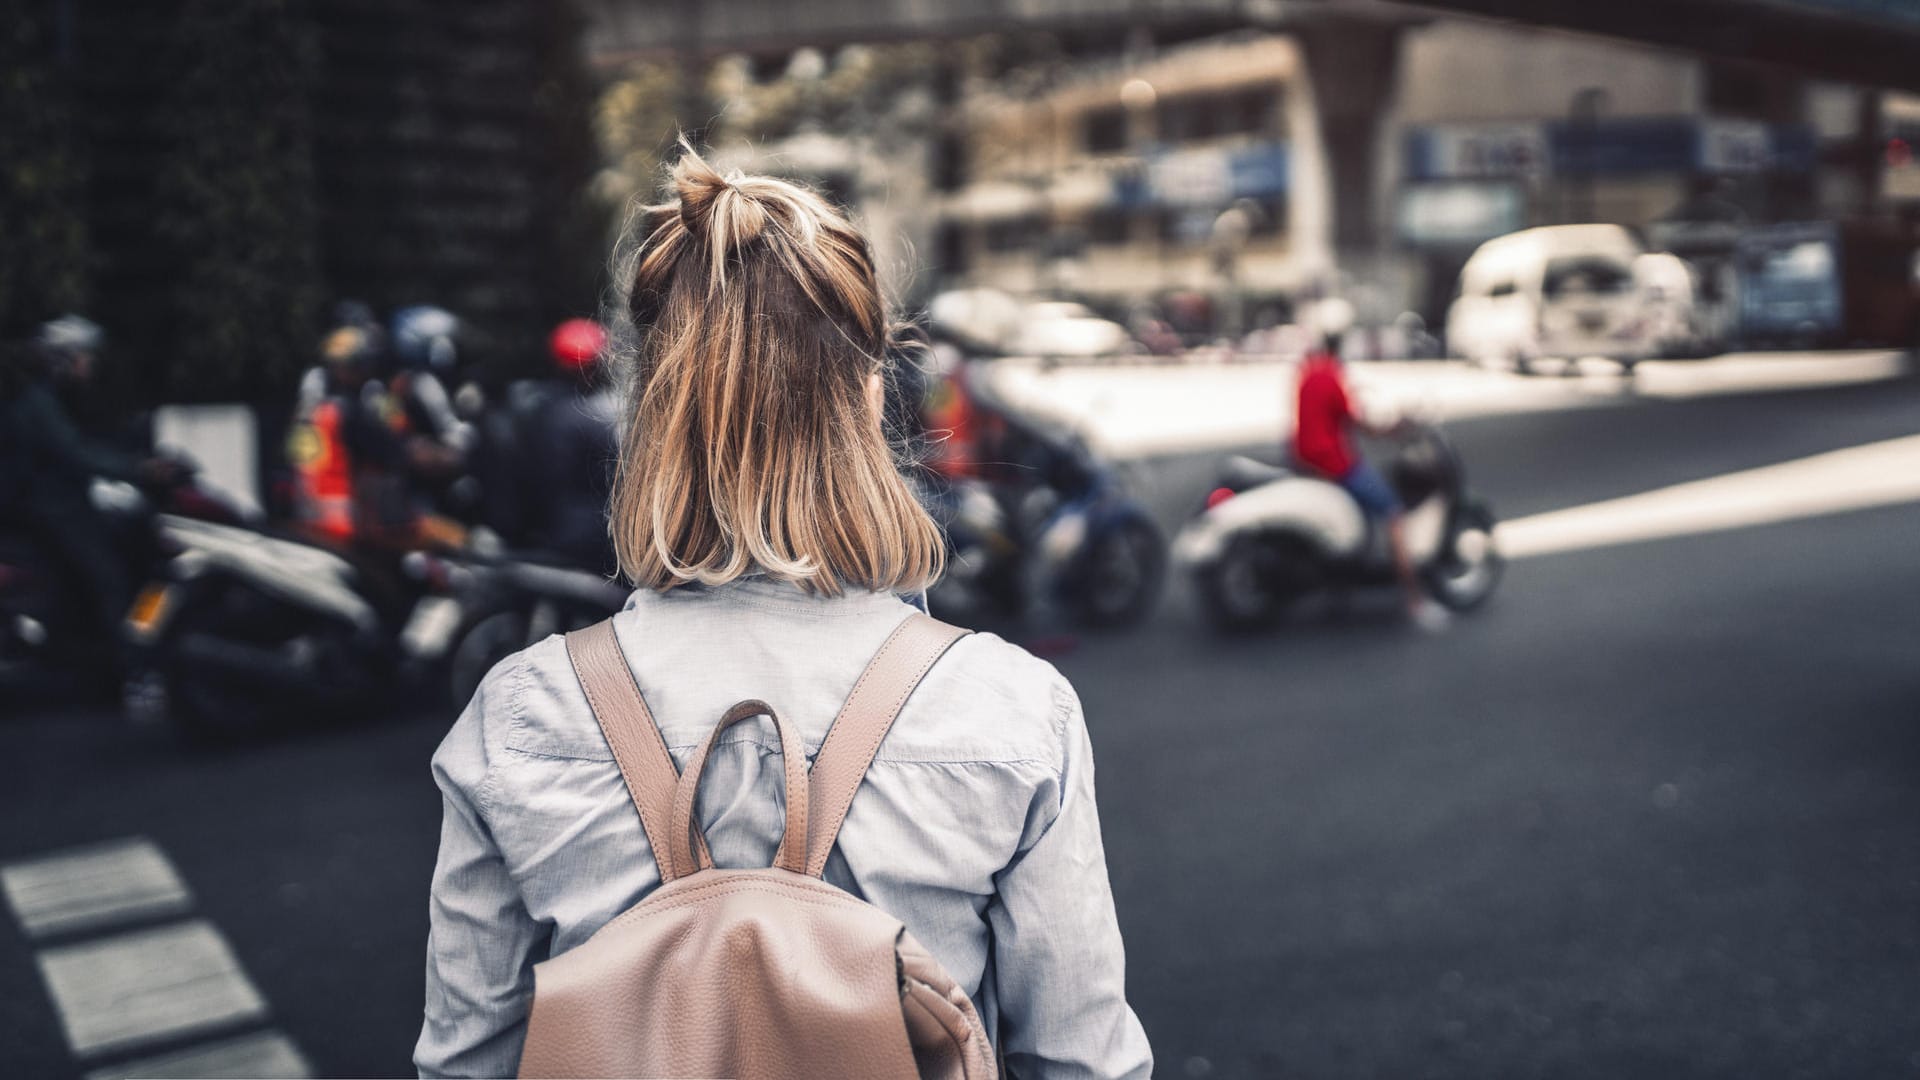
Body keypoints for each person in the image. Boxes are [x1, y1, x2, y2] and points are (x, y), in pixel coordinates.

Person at [415, 148, 1153, 1079]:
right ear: (870, 400)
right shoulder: (1012, 712)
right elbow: (1082, 1064)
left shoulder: (517, 719)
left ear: (649, 414)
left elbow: (462, 1065)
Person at [0, 316, 182, 654]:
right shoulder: (39, 403)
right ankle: (137, 669)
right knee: (112, 580)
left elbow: (97, 441)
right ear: (62, 360)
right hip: (50, 506)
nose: (90, 365)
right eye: (84, 357)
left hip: (61, 501)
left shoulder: (62, 400)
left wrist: (140, 457)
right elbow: (75, 452)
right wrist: (141, 469)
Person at [1291, 298, 1447, 630]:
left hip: (1305, 460)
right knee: (1393, 513)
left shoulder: (1308, 371)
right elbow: (1363, 425)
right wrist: (1397, 425)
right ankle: (1417, 603)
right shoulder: (1332, 375)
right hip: (1333, 464)